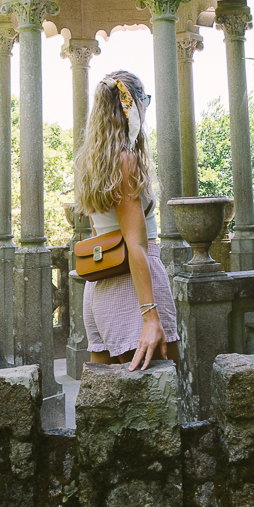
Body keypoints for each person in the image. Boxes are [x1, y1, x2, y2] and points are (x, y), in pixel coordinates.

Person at [76, 70, 179, 372]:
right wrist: (150, 317)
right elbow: (135, 245)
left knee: (107, 400)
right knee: (162, 391)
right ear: (133, 105)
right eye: (145, 99)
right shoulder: (125, 161)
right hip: (132, 289)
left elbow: (101, 233)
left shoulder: (92, 163)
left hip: (100, 289)